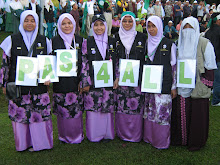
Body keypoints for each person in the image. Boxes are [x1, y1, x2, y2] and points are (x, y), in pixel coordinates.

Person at [0, 10, 53, 152]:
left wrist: (48, 77)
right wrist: (3, 83)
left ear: (37, 22)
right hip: (18, 86)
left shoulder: (44, 40)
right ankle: (23, 144)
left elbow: (48, 62)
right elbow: (5, 63)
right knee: (20, 114)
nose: (29, 24)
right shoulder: (11, 40)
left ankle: (41, 144)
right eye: (26, 20)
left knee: (40, 114)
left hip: (38, 87)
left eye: (32, 20)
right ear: (21, 22)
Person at [171, 17, 217, 151]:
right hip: (181, 85)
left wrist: (204, 84)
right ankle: (180, 139)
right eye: (184, 28)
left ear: (196, 28)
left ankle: (195, 141)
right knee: (181, 112)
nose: (187, 31)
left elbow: (210, 66)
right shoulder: (178, 44)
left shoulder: (204, 43)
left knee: (197, 114)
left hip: (198, 85)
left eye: (190, 28)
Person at [80, 14, 117, 142]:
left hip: (108, 82)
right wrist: (85, 81)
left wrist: (116, 78)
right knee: (93, 108)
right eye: (96, 25)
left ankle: (107, 134)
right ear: (92, 27)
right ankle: (94, 135)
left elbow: (116, 62)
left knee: (106, 107)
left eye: (101, 24)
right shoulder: (87, 42)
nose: (99, 27)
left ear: (106, 26)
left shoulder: (112, 41)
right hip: (93, 83)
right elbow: (84, 63)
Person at [144, 15, 177, 149]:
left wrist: (173, 86)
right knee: (151, 111)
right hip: (150, 84)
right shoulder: (147, 43)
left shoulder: (169, 44)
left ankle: (161, 141)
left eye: (154, 26)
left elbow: (174, 67)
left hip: (164, 84)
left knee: (162, 113)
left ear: (160, 26)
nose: (151, 29)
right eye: (149, 26)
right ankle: (149, 138)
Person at [51, 13, 84, 144]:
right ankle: (63, 136)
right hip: (60, 82)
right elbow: (49, 62)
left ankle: (76, 135)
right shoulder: (53, 41)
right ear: (59, 25)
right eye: (63, 24)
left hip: (76, 81)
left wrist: (83, 80)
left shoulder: (81, 41)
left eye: (69, 23)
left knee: (75, 110)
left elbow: (85, 62)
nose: (67, 26)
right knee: (62, 111)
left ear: (74, 24)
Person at [115, 11, 147, 142]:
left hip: (137, 78)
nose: (127, 24)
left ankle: (135, 134)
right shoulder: (115, 37)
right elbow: (114, 58)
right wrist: (116, 76)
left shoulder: (142, 37)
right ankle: (122, 133)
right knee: (122, 104)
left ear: (134, 22)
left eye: (130, 21)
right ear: (121, 22)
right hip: (121, 78)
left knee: (136, 104)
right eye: (124, 21)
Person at [205, 13, 220, 106]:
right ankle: (216, 100)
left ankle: (211, 95)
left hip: (209, 58)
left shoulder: (208, 31)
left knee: (211, 79)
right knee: (218, 80)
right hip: (218, 58)